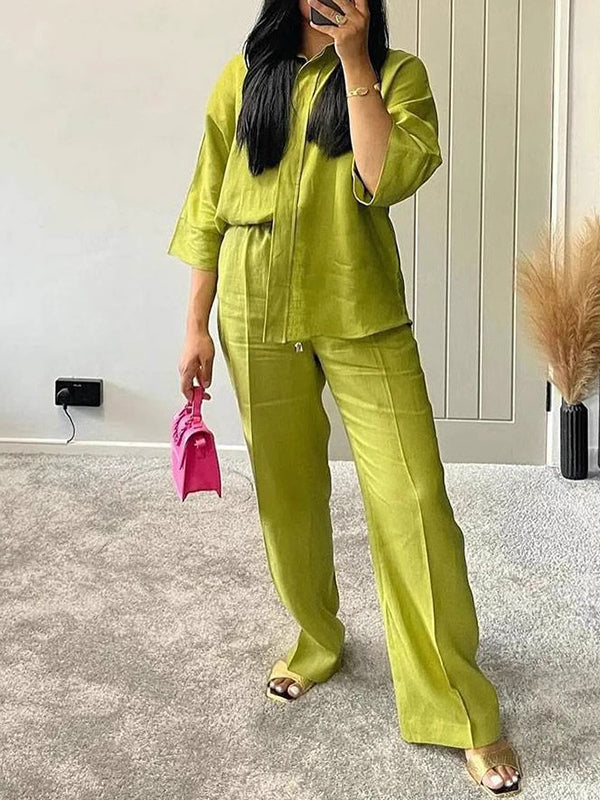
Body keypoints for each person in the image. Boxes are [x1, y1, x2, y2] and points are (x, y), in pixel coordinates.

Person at [167, 0, 523, 795]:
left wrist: (356, 60)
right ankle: (317, 639)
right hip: (254, 309)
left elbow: (385, 176)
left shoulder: (399, 75)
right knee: (287, 495)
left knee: (415, 501)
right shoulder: (243, 77)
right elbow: (207, 202)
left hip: (360, 308)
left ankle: (457, 704)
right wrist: (194, 324)